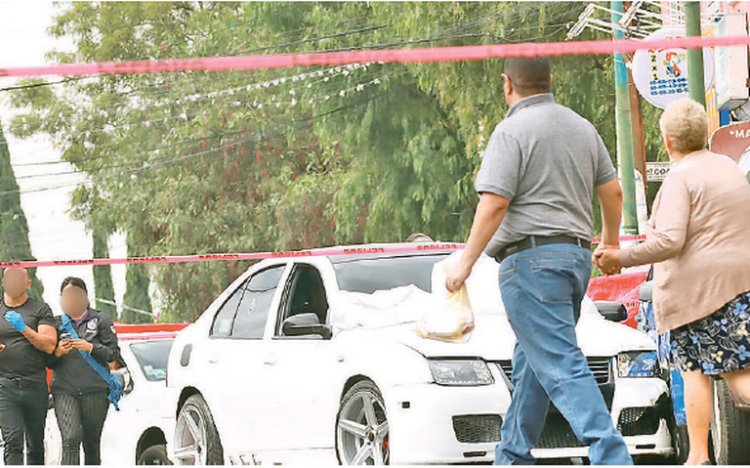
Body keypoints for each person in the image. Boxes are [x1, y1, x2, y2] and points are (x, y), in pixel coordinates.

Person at [444, 57, 632, 465]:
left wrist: (465, 264)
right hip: (576, 258)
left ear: (506, 84)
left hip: (531, 263)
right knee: (534, 363)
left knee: (560, 362)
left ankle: (613, 457)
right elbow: (613, 192)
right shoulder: (581, 127)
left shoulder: (510, 131)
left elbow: (495, 202)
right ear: (551, 81)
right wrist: (611, 244)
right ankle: (511, 456)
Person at [596, 98, 750, 466]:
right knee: (729, 369)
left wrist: (620, 256)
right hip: (739, 284)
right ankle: (697, 455)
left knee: (705, 371)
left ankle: (698, 456)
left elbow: (670, 241)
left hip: (698, 294)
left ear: (667, 140)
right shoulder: (729, 168)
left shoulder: (681, 178)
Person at [48, 277, 122, 465]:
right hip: (65, 390)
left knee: (91, 443)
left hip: (95, 390)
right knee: (71, 439)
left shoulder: (101, 320)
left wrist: (91, 347)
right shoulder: (55, 324)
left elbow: (113, 355)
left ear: (85, 296)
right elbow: (47, 360)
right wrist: (57, 352)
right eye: (67, 295)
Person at [0, 267, 57, 465]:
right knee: (13, 441)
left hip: (34, 383)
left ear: (27, 283)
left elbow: (49, 345)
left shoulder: (40, 309)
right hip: (5, 385)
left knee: (35, 443)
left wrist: (22, 328)